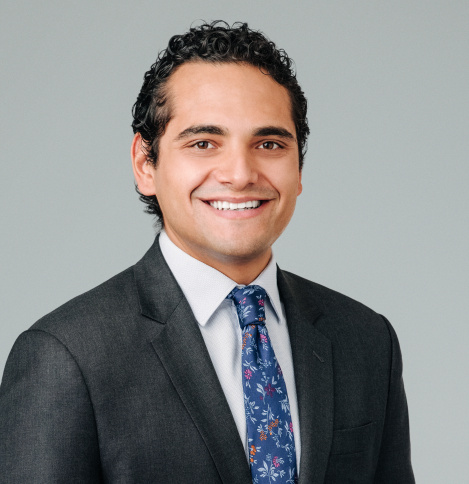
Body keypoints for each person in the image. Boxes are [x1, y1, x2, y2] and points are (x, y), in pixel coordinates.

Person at [0, 21, 414, 483]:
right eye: (203, 143)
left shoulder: (366, 340)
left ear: (298, 168)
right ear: (145, 164)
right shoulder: (65, 357)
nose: (240, 174)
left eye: (269, 144)